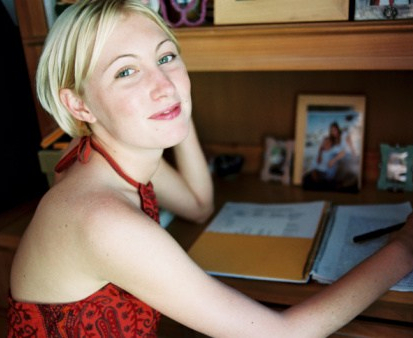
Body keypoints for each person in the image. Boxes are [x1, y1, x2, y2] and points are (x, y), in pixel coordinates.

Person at [7, 1, 413, 337]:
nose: (164, 82)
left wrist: (174, 110)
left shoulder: (104, 154)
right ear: (79, 105)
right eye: (126, 71)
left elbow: (198, 206)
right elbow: (282, 336)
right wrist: (403, 249)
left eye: (166, 57)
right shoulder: (101, 219)